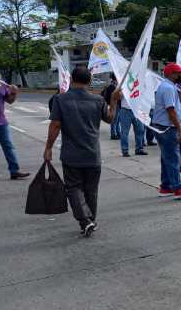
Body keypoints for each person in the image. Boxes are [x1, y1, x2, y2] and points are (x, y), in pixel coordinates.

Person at [43, 67, 119, 237]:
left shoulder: (60, 100)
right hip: (93, 154)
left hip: (71, 154)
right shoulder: (98, 100)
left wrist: (48, 148)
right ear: (90, 81)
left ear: (71, 79)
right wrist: (113, 101)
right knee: (91, 190)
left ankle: (86, 221)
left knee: (73, 188)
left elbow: (55, 125)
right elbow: (110, 119)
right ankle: (90, 220)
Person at [0, 61, 29, 181]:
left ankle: (14, 171)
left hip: (1, 122)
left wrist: (14, 92)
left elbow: (9, 100)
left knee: (9, 146)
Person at [153, 63, 181, 199]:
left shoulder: (168, 86)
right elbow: (171, 111)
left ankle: (166, 186)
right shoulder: (168, 88)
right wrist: (180, 130)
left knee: (167, 157)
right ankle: (177, 187)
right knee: (173, 158)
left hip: (163, 126)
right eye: (179, 73)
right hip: (168, 127)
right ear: (171, 74)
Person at [101, 73, 121, 140]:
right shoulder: (113, 86)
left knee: (117, 121)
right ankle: (113, 134)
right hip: (115, 105)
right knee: (115, 120)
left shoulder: (112, 85)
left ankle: (118, 133)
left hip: (115, 104)